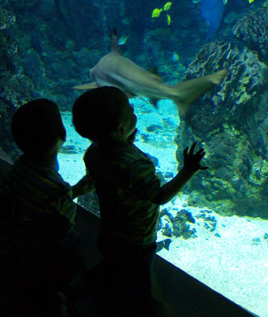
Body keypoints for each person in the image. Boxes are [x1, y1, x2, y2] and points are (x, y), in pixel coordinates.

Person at [71, 86, 208, 316]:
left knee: (110, 267)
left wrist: (124, 140)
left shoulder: (93, 153)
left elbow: (110, 167)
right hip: (136, 242)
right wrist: (188, 171)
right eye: (130, 110)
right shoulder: (137, 164)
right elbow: (159, 196)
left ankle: (76, 288)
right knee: (140, 289)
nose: (134, 111)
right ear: (121, 128)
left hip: (109, 233)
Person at [0, 98, 93, 316]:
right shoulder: (57, 193)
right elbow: (57, 234)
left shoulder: (20, 166)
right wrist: (68, 196)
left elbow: (36, 197)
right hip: (18, 267)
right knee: (72, 243)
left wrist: (74, 192)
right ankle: (55, 300)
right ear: (62, 136)